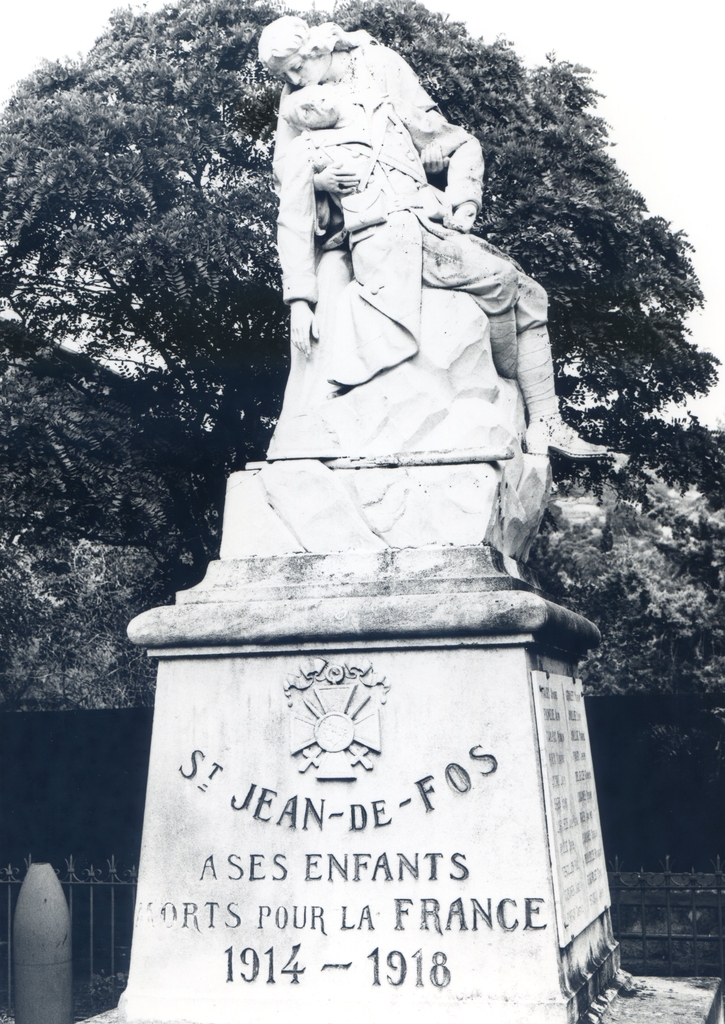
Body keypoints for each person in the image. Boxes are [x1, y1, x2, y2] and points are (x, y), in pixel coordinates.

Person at [258, 16, 606, 458]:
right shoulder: (305, 126)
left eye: (295, 70)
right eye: (283, 79)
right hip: (376, 238)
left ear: (316, 50)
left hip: (422, 221)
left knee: (525, 291)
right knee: (507, 285)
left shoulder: (380, 84)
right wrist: (301, 292)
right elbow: (288, 191)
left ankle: (536, 414)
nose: (292, 86)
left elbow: (450, 142)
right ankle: (531, 407)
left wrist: (457, 197)